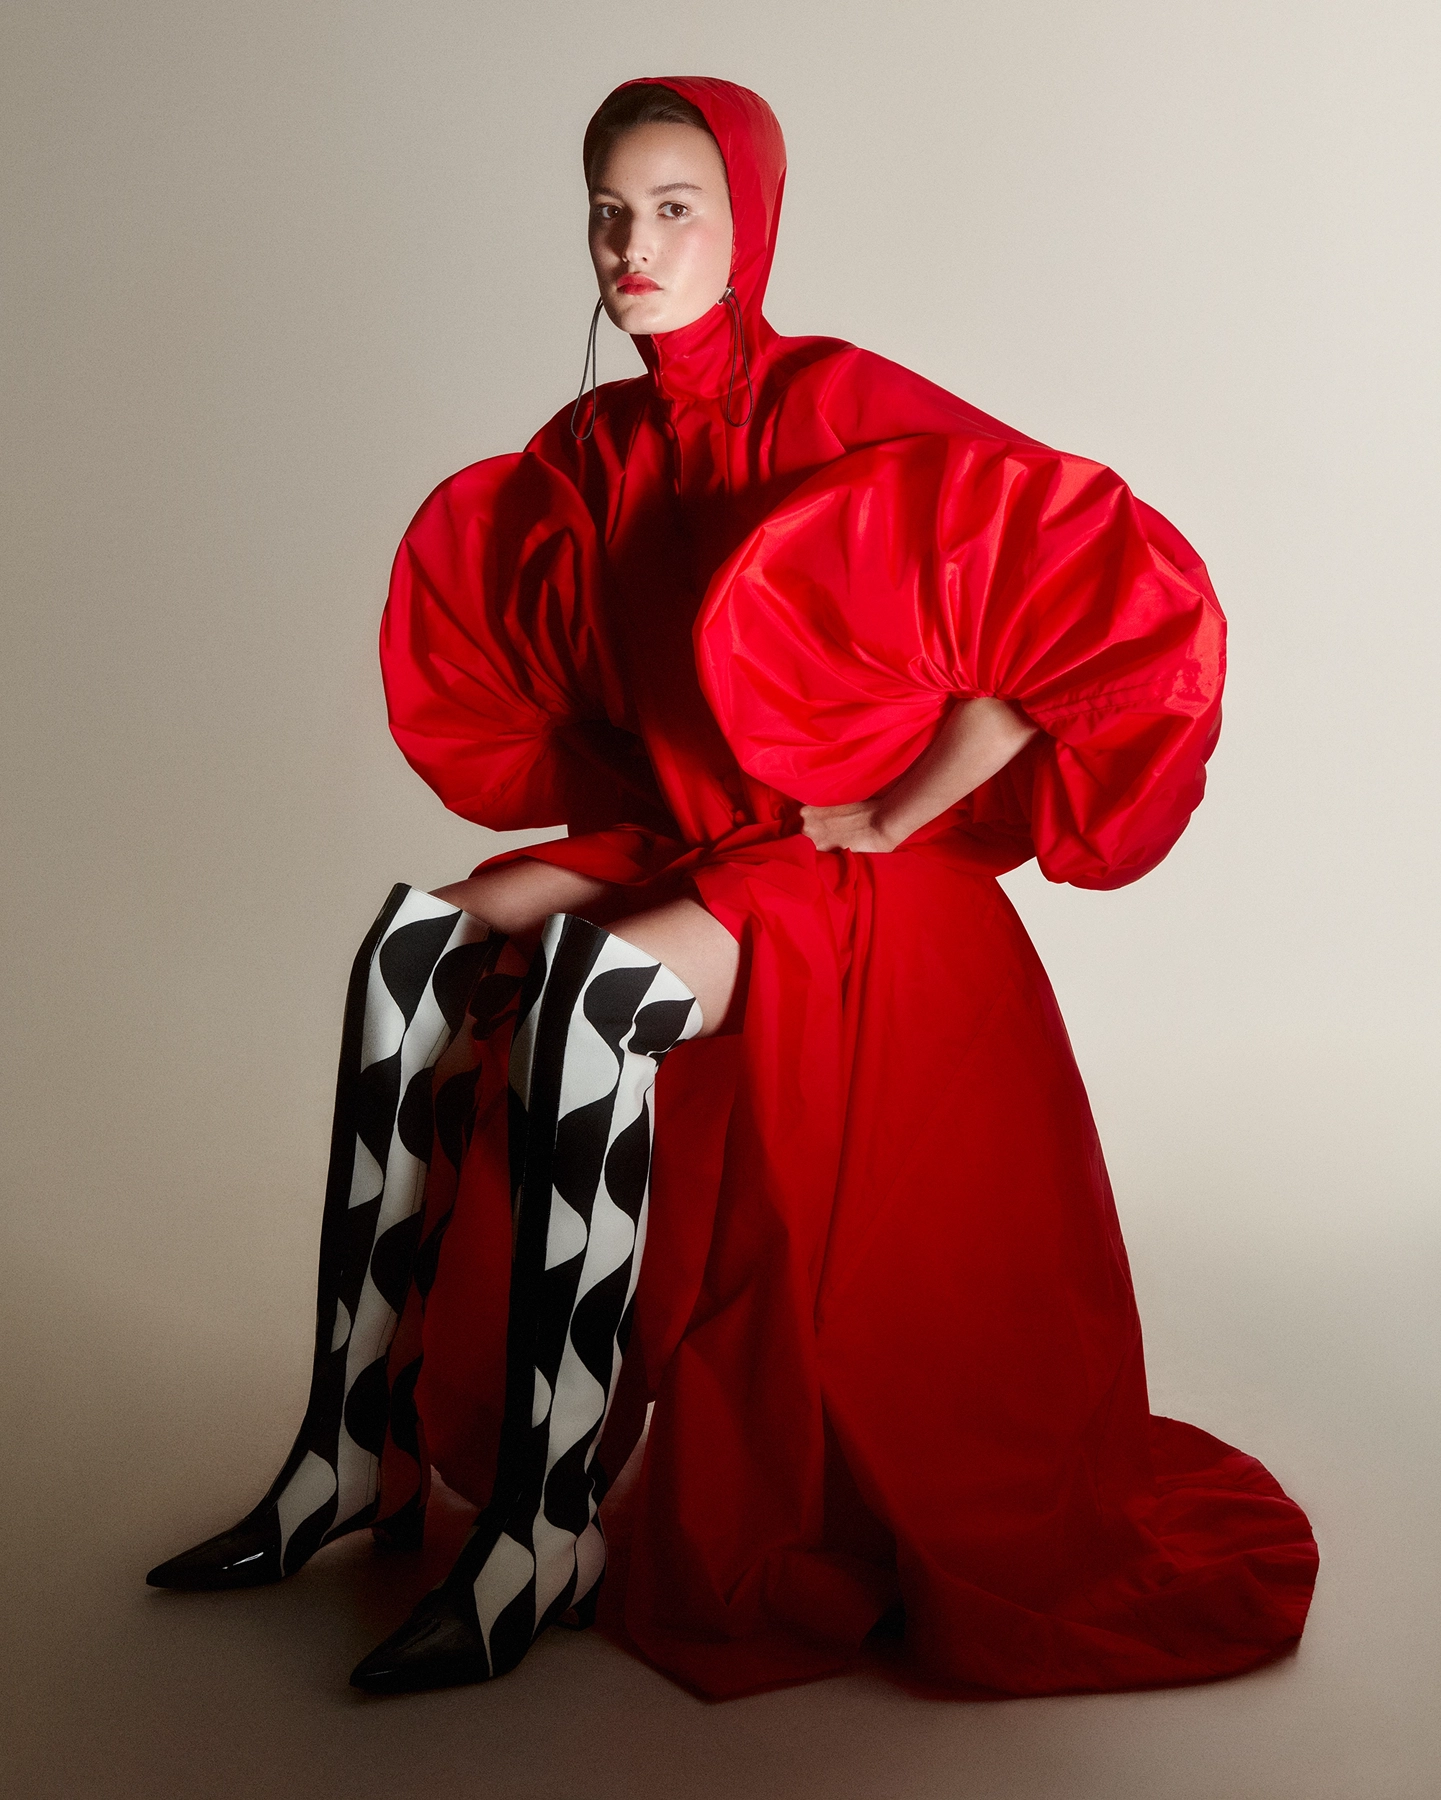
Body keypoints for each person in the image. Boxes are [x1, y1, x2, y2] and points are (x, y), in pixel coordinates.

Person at [148, 77, 1318, 1700]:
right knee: (413, 950)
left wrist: (898, 810)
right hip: (695, 846)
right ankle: (351, 1457)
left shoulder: (834, 398)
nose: (637, 246)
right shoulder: (596, 447)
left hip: (842, 892)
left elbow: (1084, 590)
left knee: (592, 1001)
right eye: (610, 215)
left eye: (675, 209)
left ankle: (544, 1531)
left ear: (744, 222)